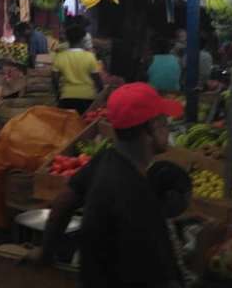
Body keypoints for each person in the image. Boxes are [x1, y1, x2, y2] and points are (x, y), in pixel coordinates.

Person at [29, 83, 185, 288]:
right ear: (151, 128)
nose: (167, 128)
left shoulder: (106, 158)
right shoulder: (139, 197)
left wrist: (46, 252)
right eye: (164, 122)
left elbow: (64, 202)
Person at [52, 25, 103, 115]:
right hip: (88, 98)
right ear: (82, 39)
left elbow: (55, 79)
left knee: (68, 123)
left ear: (67, 39)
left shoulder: (59, 56)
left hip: (67, 97)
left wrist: (58, 93)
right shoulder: (90, 56)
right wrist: (101, 92)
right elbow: (97, 79)